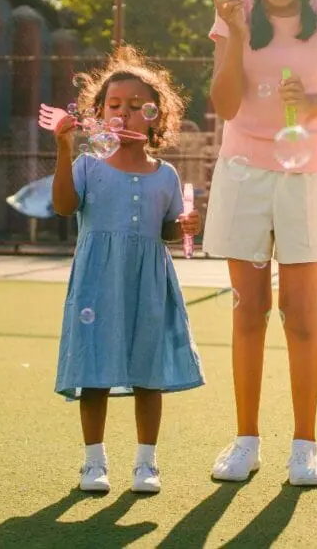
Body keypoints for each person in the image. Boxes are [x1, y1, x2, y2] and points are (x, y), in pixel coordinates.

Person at [201, 0, 317, 486]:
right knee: (249, 310)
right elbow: (223, 105)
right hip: (244, 172)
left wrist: (315, 100)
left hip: (305, 173)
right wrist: (235, 36)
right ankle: (246, 441)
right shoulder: (234, 15)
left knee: (300, 314)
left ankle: (305, 445)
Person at [51, 44, 205, 495]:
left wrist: (188, 225)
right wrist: (63, 148)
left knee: (146, 373)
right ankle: (93, 463)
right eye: (114, 105)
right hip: (98, 283)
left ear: (156, 117)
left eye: (138, 107)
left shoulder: (166, 175)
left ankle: (145, 464)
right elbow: (63, 207)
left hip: (148, 284)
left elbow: (169, 231)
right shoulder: (87, 166)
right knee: (94, 370)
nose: (125, 114)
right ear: (97, 115)